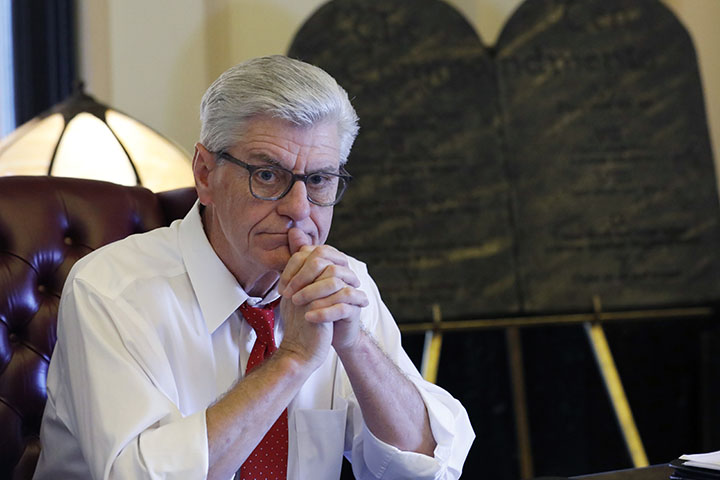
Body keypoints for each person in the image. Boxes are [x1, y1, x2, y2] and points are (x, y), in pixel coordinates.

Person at [33, 55, 474, 480]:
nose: (299, 209)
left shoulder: (342, 285)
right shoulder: (110, 289)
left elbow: (430, 465)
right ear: (205, 175)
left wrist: (356, 343)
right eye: (267, 175)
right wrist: (293, 360)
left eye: (319, 180)